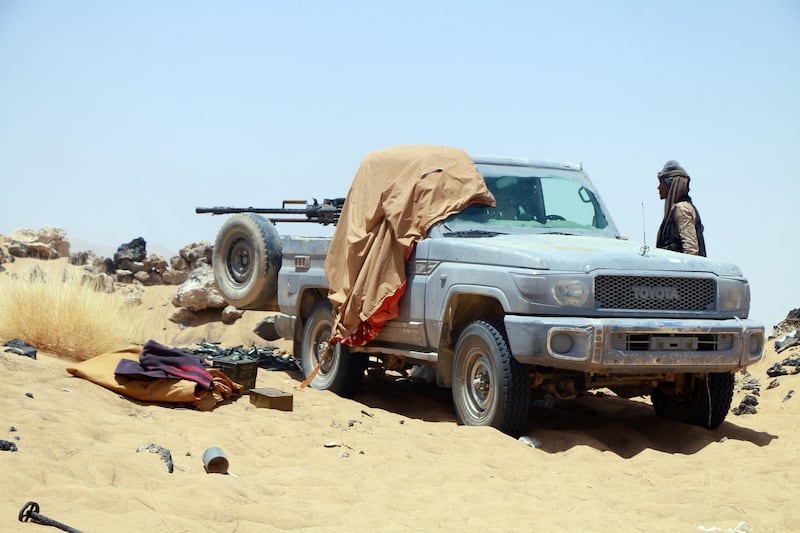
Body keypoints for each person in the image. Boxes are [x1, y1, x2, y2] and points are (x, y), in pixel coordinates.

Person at [655, 160, 707, 256]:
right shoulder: (678, 208)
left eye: (661, 182)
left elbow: (691, 250)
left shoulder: (682, 209)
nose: (658, 187)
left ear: (669, 184)